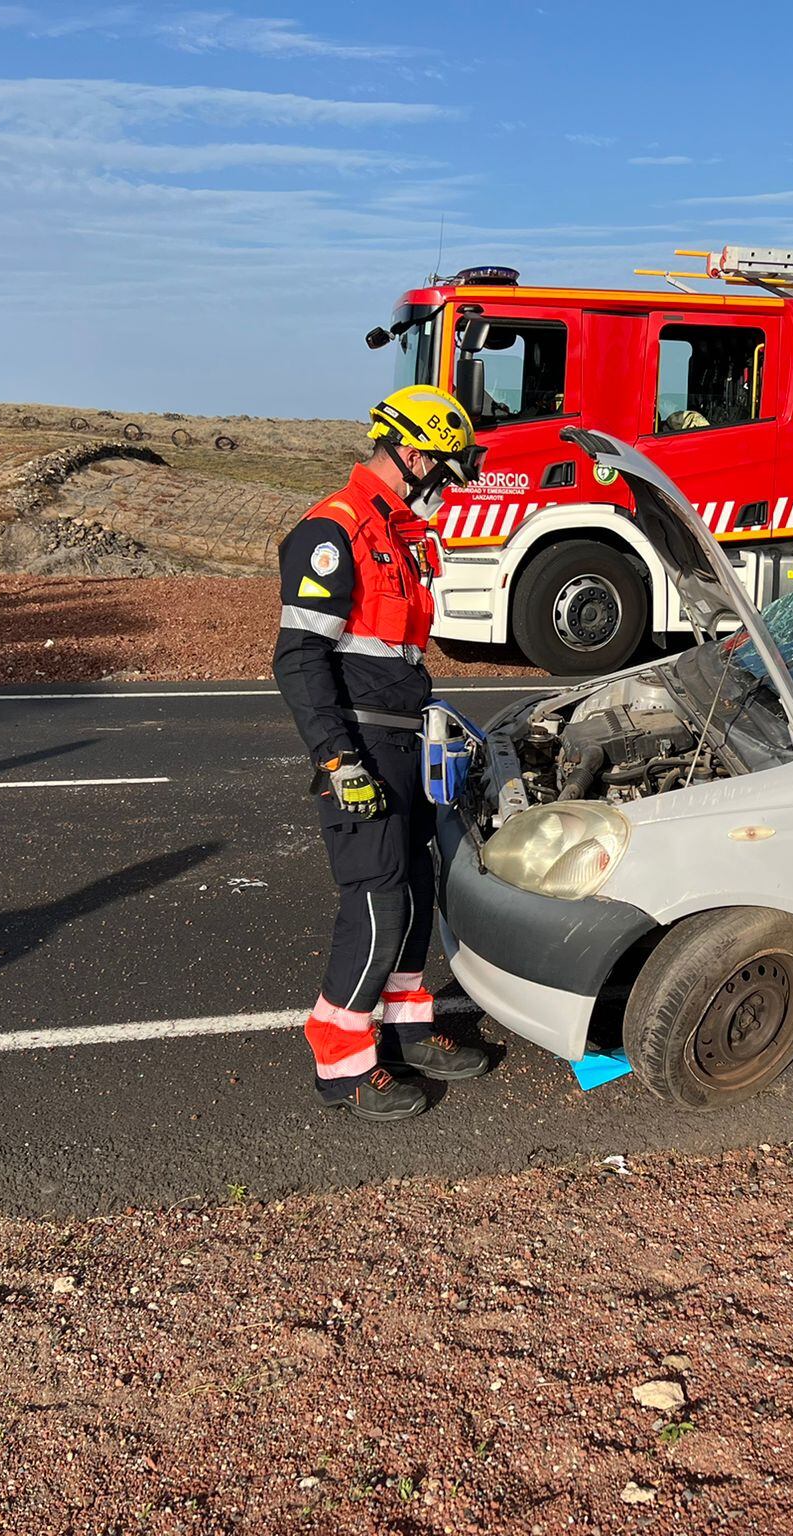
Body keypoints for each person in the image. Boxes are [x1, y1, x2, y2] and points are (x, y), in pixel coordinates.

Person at [273, 384, 490, 1121]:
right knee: (376, 904)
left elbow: (394, 652)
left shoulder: (396, 534)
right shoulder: (334, 531)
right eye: (446, 470)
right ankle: (340, 1060)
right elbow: (300, 660)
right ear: (416, 452)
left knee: (418, 895)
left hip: (404, 741)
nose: (448, 487)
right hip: (360, 744)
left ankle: (403, 1031)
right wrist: (338, 761)